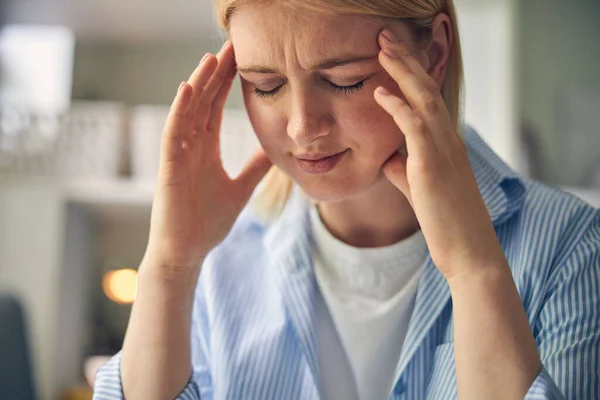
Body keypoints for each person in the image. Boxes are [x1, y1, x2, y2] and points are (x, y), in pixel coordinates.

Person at [93, 0, 600, 399]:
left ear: (435, 53)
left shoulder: (571, 251)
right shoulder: (218, 261)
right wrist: (169, 268)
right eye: (264, 86)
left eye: (344, 80)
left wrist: (474, 269)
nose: (301, 127)